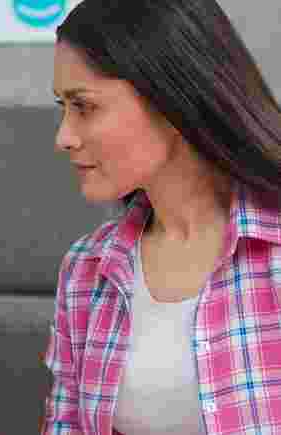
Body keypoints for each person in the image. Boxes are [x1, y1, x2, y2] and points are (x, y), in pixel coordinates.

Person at [45, 0, 281, 434]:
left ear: (171, 102)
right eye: (63, 106)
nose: (63, 137)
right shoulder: (85, 271)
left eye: (84, 106)